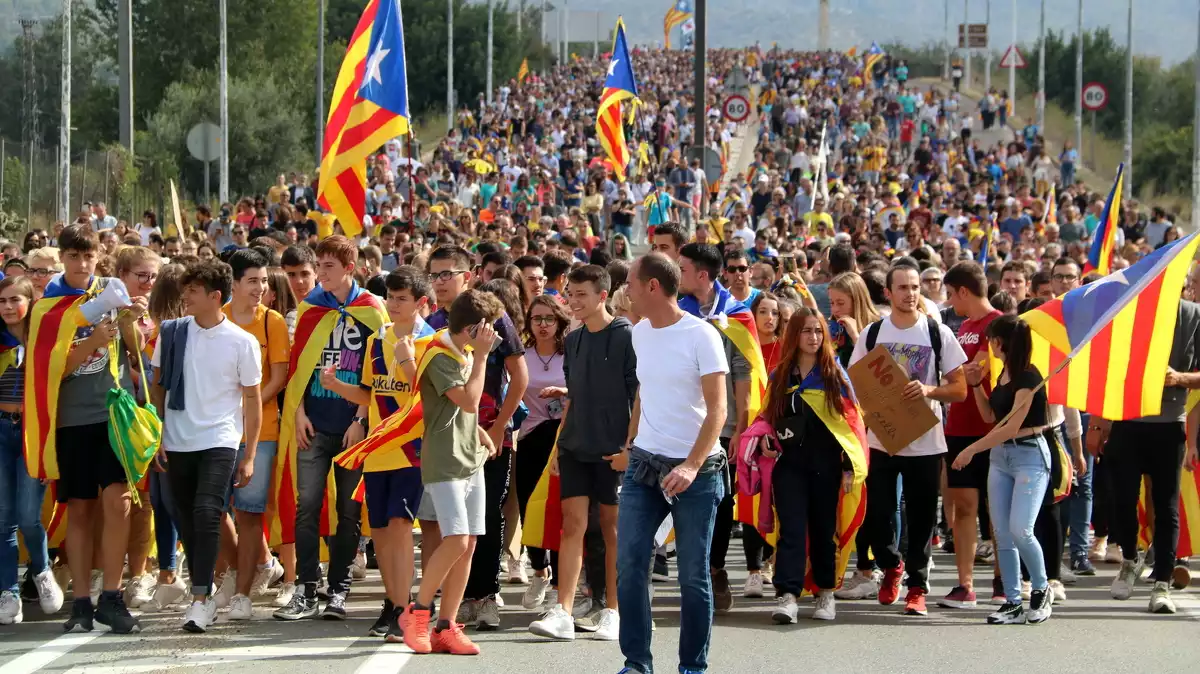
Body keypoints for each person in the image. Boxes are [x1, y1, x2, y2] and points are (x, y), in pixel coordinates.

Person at [25, 224, 148, 634]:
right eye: (74, 256)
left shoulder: (108, 292)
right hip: (71, 420)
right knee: (79, 510)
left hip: (113, 414)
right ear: (62, 257)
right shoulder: (46, 307)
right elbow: (50, 373)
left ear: (99, 256)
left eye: (89, 256)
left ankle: (111, 597)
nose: (82, 264)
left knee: (121, 503)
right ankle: (81, 601)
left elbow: (133, 349)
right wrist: (92, 340)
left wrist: (134, 321)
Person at [614, 252, 728, 674]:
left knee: (692, 577)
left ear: (652, 287)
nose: (625, 289)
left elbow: (719, 410)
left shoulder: (702, 335)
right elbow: (645, 391)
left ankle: (691, 667)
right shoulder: (640, 332)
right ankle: (637, 663)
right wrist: (631, 439)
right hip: (644, 465)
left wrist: (692, 466)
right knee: (629, 564)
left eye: (630, 281)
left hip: (697, 471)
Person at [273, 236, 388, 621]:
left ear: (350, 269)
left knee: (348, 510)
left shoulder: (373, 310)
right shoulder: (309, 309)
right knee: (307, 506)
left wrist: (360, 419)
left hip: (352, 428)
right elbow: (298, 368)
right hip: (313, 424)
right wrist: (300, 412)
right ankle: (306, 588)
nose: (320, 274)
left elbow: (378, 372)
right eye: (318, 265)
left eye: (328, 267)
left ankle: (338, 590)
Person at [848, 264, 968, 617]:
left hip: (925, 442)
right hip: (880, 440)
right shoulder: (871, 334)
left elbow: (960, 388)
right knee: (877, 514)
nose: (910, 293)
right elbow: (855, 385)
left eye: (915, 286)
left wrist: (930, 389)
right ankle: (891, 566)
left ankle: (917, 587)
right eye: (902, 287)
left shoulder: (937, 333)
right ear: (888, 292)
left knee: (920, 520)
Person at [152, 261, 263, 632]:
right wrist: (155, 434)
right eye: (185, 290)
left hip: (219, 440)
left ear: (215, 297)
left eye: (193, 291)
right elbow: (158, 388)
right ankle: (209, 582)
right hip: (175, 441)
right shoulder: (171, 333)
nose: (185, 296)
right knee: (184, 516)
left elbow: (252, 399)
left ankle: (200, 600)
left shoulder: (242, 342)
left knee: (206, 511)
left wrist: (248, 455)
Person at [326, 267, 434, 642]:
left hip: (412, 451)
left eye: (402, 298)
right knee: (383, 532)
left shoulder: (431, 342)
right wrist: (337, 385)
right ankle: (392, 603)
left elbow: (430, 399)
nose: (393, 304)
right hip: (377, 449)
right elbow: (371, 396)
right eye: (390, 297)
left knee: (402, 529)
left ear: (421, 303)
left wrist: (409, 361)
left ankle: (406, 609)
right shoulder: (377, 340)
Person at [528, 265, 634, 642]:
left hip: (612, 450)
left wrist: (628, 447)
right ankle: (564, 611)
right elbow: (574, 395)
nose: (573, 301)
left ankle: (614, 611)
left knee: (611, 529)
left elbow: (638, 396)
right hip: (575, 445)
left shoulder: (627, 336)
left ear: (602, 296)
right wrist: (560, 444)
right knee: (571, 525)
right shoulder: (572, 340)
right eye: (570, 294)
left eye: (581, 295)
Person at [425, 245, 528, 631]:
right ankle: (440, 605)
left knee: (482, 524)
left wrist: (500, 425)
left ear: (468, 276)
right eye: (434, 275)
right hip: (446, 440)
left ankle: (484, 597)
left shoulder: (493, 319)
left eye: (447, 274)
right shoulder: (433, 324)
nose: (440, 282)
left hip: (488, 436)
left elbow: (520, 377)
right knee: (446, 527)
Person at [399, 290, 503, 656]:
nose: (494, 336)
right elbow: (470, 400)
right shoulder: (441, 355)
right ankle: (418, 615)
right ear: (473, 328)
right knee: (457, 539)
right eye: (488, 328)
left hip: (469, 457)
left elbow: (461, 411)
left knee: (470, 541)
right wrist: (484, 358)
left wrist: (480, 433)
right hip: (444, 461)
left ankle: (447, 624)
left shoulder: (464, 353)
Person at [761, 307, 867, 623]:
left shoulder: (836, 375)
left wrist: (850, 467)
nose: (813, 337)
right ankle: (788, 596)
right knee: (790, 530)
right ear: (794, 335)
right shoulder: (779, 376)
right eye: (806, 331)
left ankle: (825, 593)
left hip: (827, 466)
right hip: (789, 465)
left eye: (818, 331)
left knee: (824, 531)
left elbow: (852, 426)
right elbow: (767, 419)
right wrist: (765, 441)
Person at [1098, 298, 1200, 614]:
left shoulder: (1192, 315)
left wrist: (1180, 378)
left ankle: (1162, 585)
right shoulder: (1126, 310)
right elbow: (1104, 370)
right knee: (1123, 499)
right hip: (1127, 421)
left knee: (1167, 505)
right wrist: (1099, 423)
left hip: (1169, 423)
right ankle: (1130, 559)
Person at [953, 314, 1054, 625]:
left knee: (1021, 529)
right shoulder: (1004, 374)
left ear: (1000, 342)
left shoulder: (1028, 376)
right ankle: (1011, 601)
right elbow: (990, 417)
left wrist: (970, 449)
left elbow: (1011, 427)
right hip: (1001, 459)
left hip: (1030, 455)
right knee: (1001, 534)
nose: (989, 345)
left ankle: (1041, 588)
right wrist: (976, 387)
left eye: (991, 339)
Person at [678, 243, 759, 613]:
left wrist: (742, 424)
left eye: (683, 268)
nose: (677, 274)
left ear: (703, 275)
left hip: (723, 424)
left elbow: (745, 371)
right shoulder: (677, 309)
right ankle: (691, 573)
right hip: (680, 421)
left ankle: (715, 568)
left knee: (720, 502)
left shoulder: (738, 314)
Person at [215, 250, 289, 619]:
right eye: (253, 281)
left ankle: (242, 592)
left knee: (248, 512)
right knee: (213, 508)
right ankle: (230, 575)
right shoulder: (215, 320)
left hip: (262, 431)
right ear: (233, 283)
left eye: (264, 281)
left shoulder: (271, 322)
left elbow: (278, 376)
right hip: (217, 429)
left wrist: (249, 405)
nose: (261, 288)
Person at [0, 276, 63, 625]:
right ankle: (7, 590)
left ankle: (40, 571)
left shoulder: (42, 340)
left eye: (15, 300)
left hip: (32, 432)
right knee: (3, 518)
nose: (8, 307)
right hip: (0, 429)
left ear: (30, 301)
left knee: (28, 515)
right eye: (2, 301)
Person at [939, 261, 1002, 610]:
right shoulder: (962, 325)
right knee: (964, 508)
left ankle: (1002, 579)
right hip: (958, 428)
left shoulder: (998, 323)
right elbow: (959, 373)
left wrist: (948, 372)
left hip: (990, 429)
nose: (950, 302)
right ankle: (965, 585)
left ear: (964, 290)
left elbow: (975, 370)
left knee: (996, 512)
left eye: (950, 294)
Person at [514, 296, 570, 615]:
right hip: (531, 437)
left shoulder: (570, 353)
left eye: (549, 318)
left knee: (561, 510)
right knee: (529, 508)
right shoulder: (522, 355)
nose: (543, 325)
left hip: (564, 438)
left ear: (559, 321)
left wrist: (564, 393)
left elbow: (581, 389)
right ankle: (539, 570)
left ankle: (562, 584)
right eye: (537, 319)